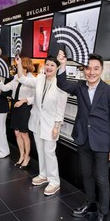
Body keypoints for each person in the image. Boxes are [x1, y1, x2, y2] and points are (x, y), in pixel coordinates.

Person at [56, 51, 110, 221]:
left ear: (101, 70)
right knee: (86, 175)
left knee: (102, 179)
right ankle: (90, 203)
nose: (91, 72)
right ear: (83, 69)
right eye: (88, 68)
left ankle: (103, 212)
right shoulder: (79, 86)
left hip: (102, 142)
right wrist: (62, 64)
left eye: (95, 68)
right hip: (83, 139)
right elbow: (62, 83)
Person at [16, 55, 67, 196]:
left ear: (57, 68)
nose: (49, 67)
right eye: (47, 64)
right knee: (40, 149)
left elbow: (61, 108)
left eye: (52, 65)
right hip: (37, 121)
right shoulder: (39, 78)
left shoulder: (61, 83)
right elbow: (23, 79)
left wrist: (57, 126)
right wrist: (19, 65)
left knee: (50, 152)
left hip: (51, 124)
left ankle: (54, 181)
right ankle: (43, 174)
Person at [0, 55, 35, 167]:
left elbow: (36, 97)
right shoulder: (16, 77)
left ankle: (27, 156)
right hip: (15, 106)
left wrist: (24, 101)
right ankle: (21, 155)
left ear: (26, 67)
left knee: (24, 134)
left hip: (25, 107)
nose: (18, 69)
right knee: (17, 133)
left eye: (20, 67)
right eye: (18, 67)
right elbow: (5, 88)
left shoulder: (33, 80)